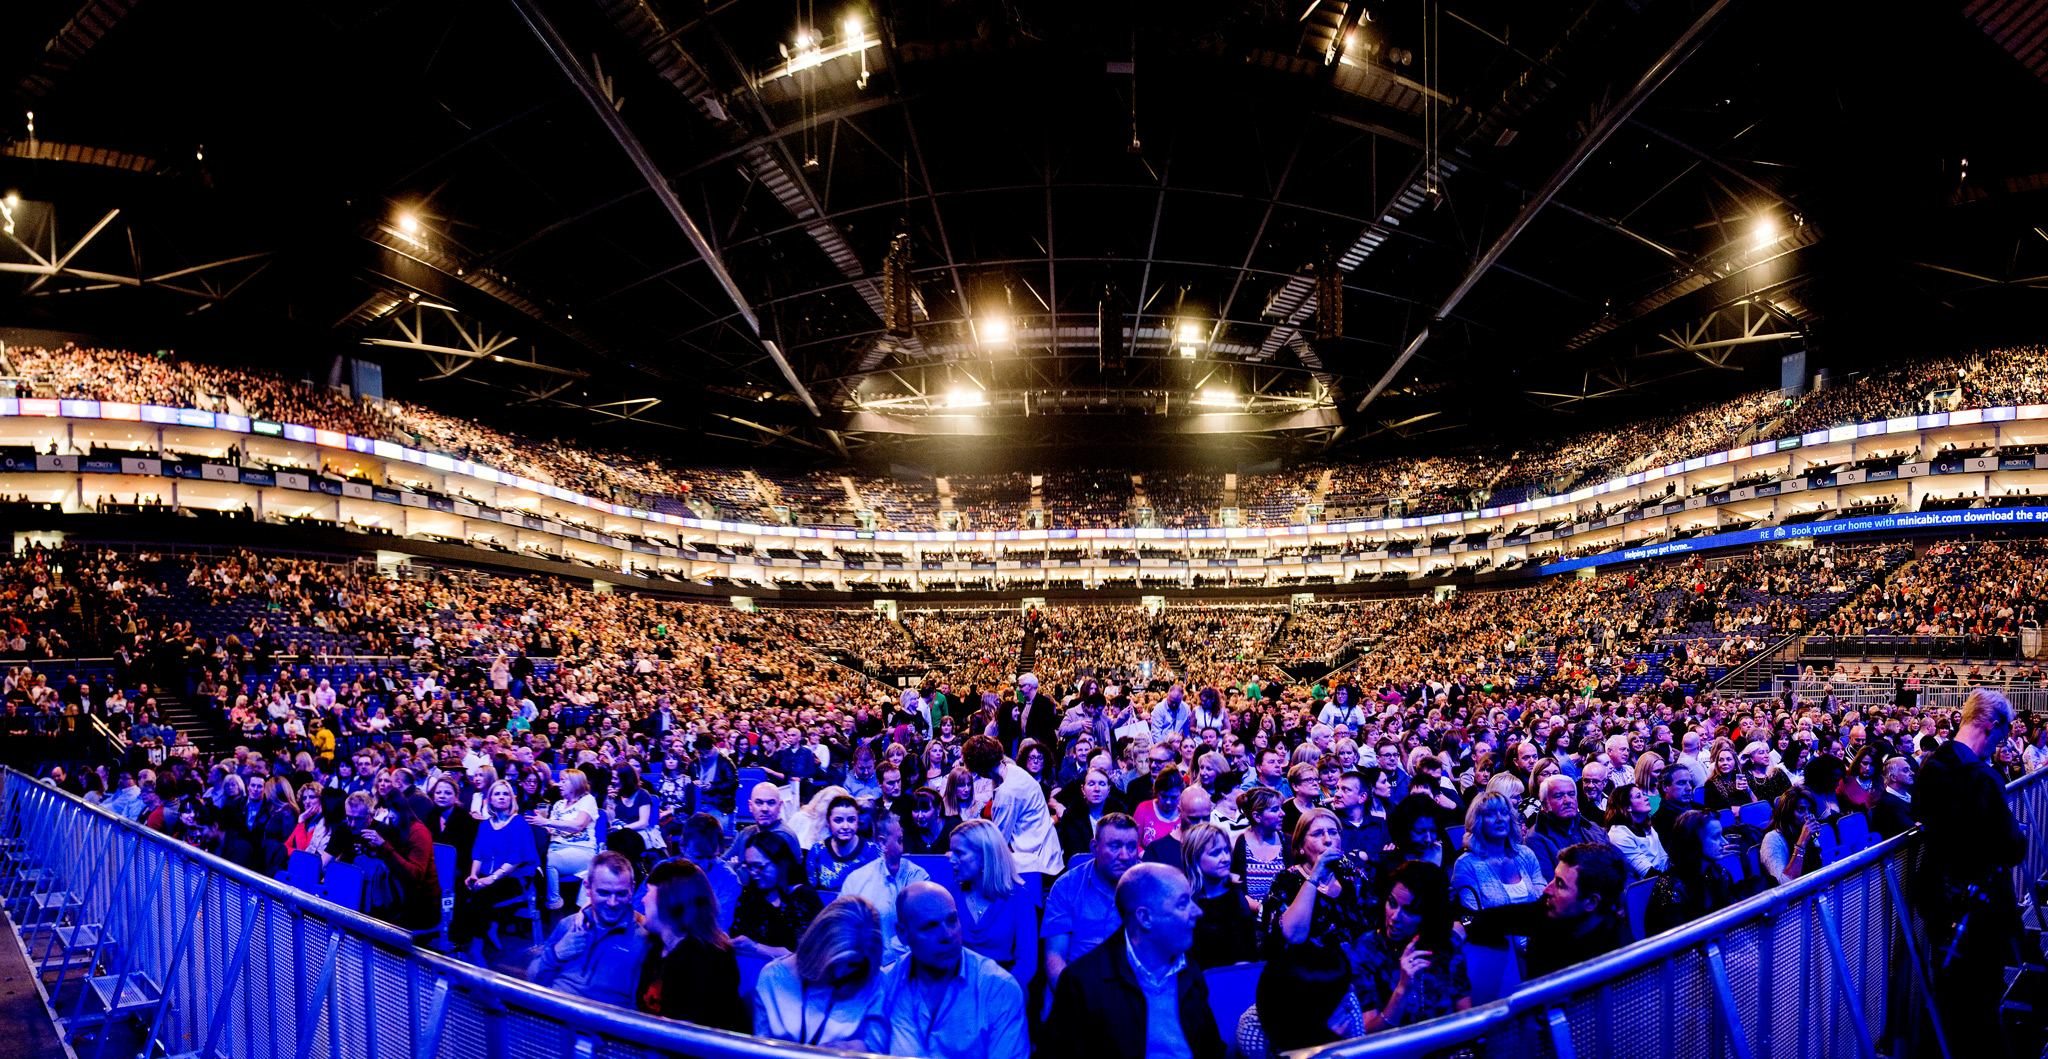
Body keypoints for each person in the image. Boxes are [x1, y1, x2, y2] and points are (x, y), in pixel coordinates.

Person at [1915, 687, 2028, 1055]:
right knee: (1980, 1016)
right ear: (1993, 725)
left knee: (1954, 1014)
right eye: (2003, 734)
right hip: (1979, 915)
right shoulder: (1983, 777)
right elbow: (2012, 848)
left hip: (1942, 907)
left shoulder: (1932, 766)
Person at [1045, 862, 1227, 1059]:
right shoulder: (1082, 982)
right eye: (1183, 903)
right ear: (1145, 918)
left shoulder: (1188, 969)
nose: (1197, 912)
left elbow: (1212, 1050)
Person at [865, 882, 1030, 1059]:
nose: (947, 935)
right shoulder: (884, 986)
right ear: (902, 934)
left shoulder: (998, 989)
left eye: (952, 921)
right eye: (930, 926)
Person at [1465, 842, 1633, 979]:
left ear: (1591, 902)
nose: (1547, 889)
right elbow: (1507, 918)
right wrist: (1465, 923)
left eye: (1560, 884)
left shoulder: (1621, 960)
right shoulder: (1552, 911)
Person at [750, 895, 887, 1048]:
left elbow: (879, 1048)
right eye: (834, 964)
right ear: (818, 946)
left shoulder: (873, 982)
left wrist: (859, 1048)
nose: (839, 974)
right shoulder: (772, 978)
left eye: (852, 965)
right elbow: (759, 1051)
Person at [1352, 859, 1474, 1031]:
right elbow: (1367, 1035)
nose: (1395, 917)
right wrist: (1402, 990)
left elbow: (1465, 1015)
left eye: (1409, 911)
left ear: (1429, 915)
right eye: (1392, 903)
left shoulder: (1448, 944)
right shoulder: (1366, 950)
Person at [637, 858, 750, 1031]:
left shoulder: (704, 958)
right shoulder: (659, 947)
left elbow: (680, 1036)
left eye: (648, 892)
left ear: (669, 900)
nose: (643, 900)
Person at [528, 851, 643, 1008]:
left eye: (621, 893)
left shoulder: (643, 939)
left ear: (632, 889)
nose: (612, 902)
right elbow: (533, 979)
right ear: (587, 888)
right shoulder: (568, 925)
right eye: (604, 893)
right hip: (553, 1019)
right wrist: (556, 954)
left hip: (601, 1026)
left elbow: (640, 1012)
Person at [1043, 812, 1144, 988]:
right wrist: (1071, 998)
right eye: (1115, 846)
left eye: (1131, 847)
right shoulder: (1067, 886)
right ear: (1094, 847)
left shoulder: (1151, 885)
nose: (1125, 856)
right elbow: (1054, 957)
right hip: (1079, 986)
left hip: (1135, 987)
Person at [1261, 807, 1373, 955]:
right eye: (1317, 834)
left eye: (1333, 833)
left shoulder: (1354, 876)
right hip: (1307, 971)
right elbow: (1293, 936)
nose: (1328, 840)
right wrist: (1314, 876)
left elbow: (1373, 930)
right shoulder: (1285, 881)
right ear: (1301, 846)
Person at [1232, 942, 1366, 1059]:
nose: (1352, 989)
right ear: (1313, 1006)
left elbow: (1360, 1056)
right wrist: (1323, 1040)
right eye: (1339, 991)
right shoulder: (1253, 1031)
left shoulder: (1346, 998)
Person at [962, 734, 1065, 877]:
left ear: (980, 768)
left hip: (1037, 865)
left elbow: (998, 841)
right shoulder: (1011, 771)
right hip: (1040, 854)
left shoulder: (1007, 792)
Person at [946, 818, 1038, 971]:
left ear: (983, 858)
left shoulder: (1019, 899)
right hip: (957, 983)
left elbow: (1026, 963)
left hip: (1005, 984)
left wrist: (1001, 992)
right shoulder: (947, 897)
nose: (952, 860)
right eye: (952, 852)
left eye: (959, 853)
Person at [457, 779, 537, 955]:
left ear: (511, 798)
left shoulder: (518, 822)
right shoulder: (485, 825)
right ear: (490, 799)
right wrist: (474, 875)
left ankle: (476, 949)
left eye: (505, 793)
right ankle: (467, 938)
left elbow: (516, 859)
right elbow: (478, 853)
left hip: (516, 876)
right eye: (497, 794)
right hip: (489, 873)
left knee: (482, 896)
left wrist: (490, 879)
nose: (501, 797)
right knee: (462, 889)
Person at [840, 812, 930, 965]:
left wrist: (883, 960)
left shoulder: (918, 877)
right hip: (862, 970)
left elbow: (921, 931)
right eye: (900, 841)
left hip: (910, 969)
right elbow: (842, 928)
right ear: (882, 843)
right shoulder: (855, 880)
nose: (903, 849)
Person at [731, 830, 825, 959]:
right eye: (748, 866)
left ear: (780, 863)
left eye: (759, 867)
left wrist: (755, 947)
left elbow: (805, 954)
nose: (753, 872)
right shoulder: (748, 898)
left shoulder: (804, 898)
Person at [1450, 790, 1546, 914]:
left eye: (1504, 813)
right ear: (1477, 822)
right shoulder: (1466, 864)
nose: (1499, 819)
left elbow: (1544, 901)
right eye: (1490, 814)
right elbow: (1474, 917)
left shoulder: (1526, 854)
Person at [1644, 810, 1737, 934]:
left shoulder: (1721, 874)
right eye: (1715, 837)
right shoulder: (1671, 887)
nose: (1724, 842)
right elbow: (1677, 943)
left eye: (1722, 835)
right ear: (1694, 841)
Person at [1179, 822, 1255, 966]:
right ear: (1194, 857)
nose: (1226, 858)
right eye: (1215, 853)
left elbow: (1246, 954)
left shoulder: (1236, 897)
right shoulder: (1181, 901)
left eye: (1226, 850)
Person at [528, 768, 599, 910]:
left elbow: (579, 825)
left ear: (575, 783)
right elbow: (552, 830)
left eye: (563, 781)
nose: (559, 785)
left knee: (551, 861)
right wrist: (539, 822)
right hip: (557, 848)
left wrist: (547, 822)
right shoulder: (558, 804)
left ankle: (553, 900)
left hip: (582, 850)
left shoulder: (587, 800)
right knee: (540, 858)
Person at [1525, 774, 1609, 877]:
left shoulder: (1593, 828)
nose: (1567, 801)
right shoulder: (1536, 838)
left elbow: (1618, 867)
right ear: (1545, 805)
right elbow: (1551, 883)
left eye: (1571, 794)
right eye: (1558, 796)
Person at [802, 794, 877, 892]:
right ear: (829, 822)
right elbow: (811, 892)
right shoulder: (817, 851)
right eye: (838, 820)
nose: (845, 826)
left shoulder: (873, 851)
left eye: (851, 820)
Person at [1231, 786, 1289, 905]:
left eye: (1281, 808)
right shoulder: (1237, 844)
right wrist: (1259, 909)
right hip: (1248, 917)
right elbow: (1235, 890)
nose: (1283, 814)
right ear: (1257, 816)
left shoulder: (1288, 842)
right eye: (1275, 809)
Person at [1757, 786, 1822, 887]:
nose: (1807, 816)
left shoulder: (1807, 833)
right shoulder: (1773, 839)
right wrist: (1801, 844)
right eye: (1801, 810)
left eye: (1810, 810)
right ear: (1787, 812)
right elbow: (1785, 886)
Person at [1604, 783, 1669, 878]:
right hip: (1643, 886)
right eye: (1638, 796)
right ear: (1627, 807)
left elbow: (1664, 859)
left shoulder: (1646, 827)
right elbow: (1646, 872)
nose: (1646, 798)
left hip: (1660, 879)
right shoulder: (1619, 834)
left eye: (1643, 794)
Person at [724, 782, 801, 860]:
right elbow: (722, 863)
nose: (764, 809)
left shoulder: (783, 836)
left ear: (779, 806)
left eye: (771, 803)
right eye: (759, 803)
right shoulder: (745, 833)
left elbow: (758, 871)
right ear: (750, 806)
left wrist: (735, 867)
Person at [1057, 767, 1118, 859]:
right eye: (1091, 784)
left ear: (1108, 789)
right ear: (1083, 789)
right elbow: (1075, 854)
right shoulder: (1071, 816)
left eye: (1102, 784)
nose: (1096, 789)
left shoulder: (1119, 815)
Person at [1870, 756, 1917, 840]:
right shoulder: (1886, 803)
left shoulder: (1911, 794)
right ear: (1893, 777)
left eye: (1910, 769)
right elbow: (1913, 829)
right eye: (1906, 770)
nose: (1912, 773)